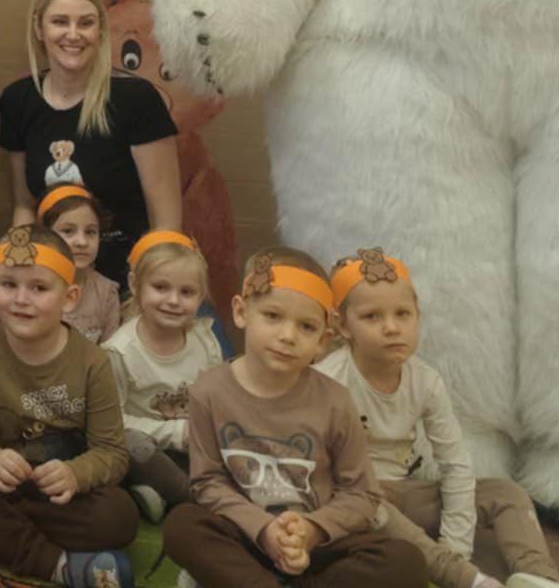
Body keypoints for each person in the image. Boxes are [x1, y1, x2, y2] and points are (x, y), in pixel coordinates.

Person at [163, 249, 426, 587]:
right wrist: (263, 529)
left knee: (405, 562)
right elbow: (208, 482)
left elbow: (362, 493)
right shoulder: (208, 391)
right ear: (241, 312)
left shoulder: (335, 401)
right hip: (244, 535)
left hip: (314, 545)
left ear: (322, 340)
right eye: (273, 316)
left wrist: (311, 530)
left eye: (306, 326)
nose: (288, 336)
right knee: (182, 525)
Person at [315, 250, 559, 588]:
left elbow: (455, 463)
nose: (392, 327)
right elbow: (323, 474)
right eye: (371, 317)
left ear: (417, 316)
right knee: (373, 505)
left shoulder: (426, 381)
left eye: (402, 314)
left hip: (404, 492)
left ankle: (539, 576)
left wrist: (456, 544)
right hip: (357, 498)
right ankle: (461, 578)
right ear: (343, 326)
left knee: (506, 493)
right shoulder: (329, 381)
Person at [0, 224, 138, 588]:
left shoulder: (93, 362)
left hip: (56, 493)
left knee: (119, 516)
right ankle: (56, 565)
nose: (21, 299)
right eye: (9, 285)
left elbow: (112, 453)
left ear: (69, 297)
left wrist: (76, 474)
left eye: (39, 288)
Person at [0, 0, 180, 286]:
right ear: (39, 28)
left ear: (100, 31)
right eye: (60, 22)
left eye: (85, 23)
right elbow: (25, 206)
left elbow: (165, 222)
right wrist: (19, 274)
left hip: (125, 275)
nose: (73, 34)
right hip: (50, 276)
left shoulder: (136, 100)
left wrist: (150, 287)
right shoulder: (18, 100)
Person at [103, 230, 219, 519]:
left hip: (195, 444)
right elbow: (112, 421)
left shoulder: (204, 339)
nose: (173, 300)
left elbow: (219, 395)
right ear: (136, 285)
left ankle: (158, 494)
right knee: (130, 445)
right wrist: (177, 433)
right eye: (160, 287)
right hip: (148, 447)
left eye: (187, 292)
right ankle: (193, 497)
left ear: (201, 296)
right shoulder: (119, 351)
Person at [39, 186, 122, 342]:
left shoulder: (106, 293)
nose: (82, 242)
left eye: (90, 232)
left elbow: (109, 351)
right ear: (45, 235)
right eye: (68, 231)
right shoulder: (31, 287)